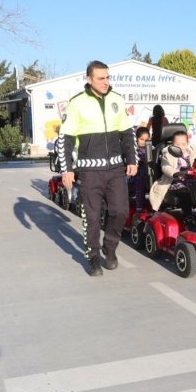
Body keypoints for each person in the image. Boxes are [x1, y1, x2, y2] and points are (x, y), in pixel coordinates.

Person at [58, 60, 137, 276]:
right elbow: (65, 138)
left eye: (108, 77)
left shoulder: (117, 100)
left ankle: (109, 248)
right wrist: (67, 169)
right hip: (89, 172)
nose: (106, 82)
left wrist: (131, 159)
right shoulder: (77, 103)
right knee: (91, 217)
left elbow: (127, 133)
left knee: (121, 211)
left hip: (116, 170)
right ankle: (92, 257)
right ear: (89, 79)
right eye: (101, 78)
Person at [149, 129, 196, 214]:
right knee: (184, 192)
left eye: (183, 144)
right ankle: (188, 217)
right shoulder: (168, 154)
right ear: (172, 145)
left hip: (190, 180)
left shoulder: (192, 153)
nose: (180, 147)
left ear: (187, 144)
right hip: (174, 181)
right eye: (177, 144)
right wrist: (175, 173)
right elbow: (166, 167)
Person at [131, 126, 150, 211]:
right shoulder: (133, 150)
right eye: (141, 139)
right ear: (136, 138)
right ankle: (138, 206)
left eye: (146, 140)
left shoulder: (150, 149)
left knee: (141, 182)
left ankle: (141, 206)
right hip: (134, 173)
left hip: (147, 173)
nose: (143, 142)